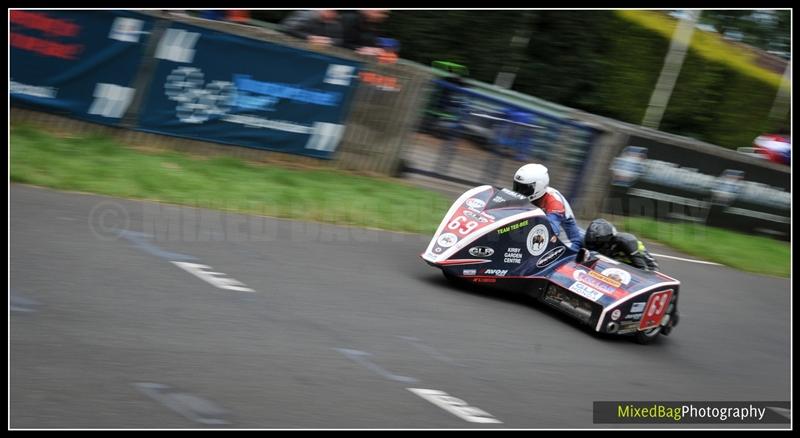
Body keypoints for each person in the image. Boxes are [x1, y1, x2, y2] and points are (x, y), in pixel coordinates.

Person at [513, 163, 584, 251]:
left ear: (538, 186)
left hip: (566, 247)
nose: (519, 192)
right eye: (517, 187)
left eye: (524, 189)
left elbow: (549, 232)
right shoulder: (534, 197)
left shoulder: (554, 202)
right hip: (543, 243)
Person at [582, 218, 659, 272]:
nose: (594, 247)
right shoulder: (590, 241)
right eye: (591, 243)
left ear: (609, 238)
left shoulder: (626, 241)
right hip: (619, 266)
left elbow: (643, 269)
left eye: (598, 244)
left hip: (647, 268)